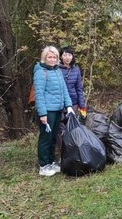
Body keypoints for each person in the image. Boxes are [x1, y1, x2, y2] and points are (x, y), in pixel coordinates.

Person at [34, 46, 75, 176]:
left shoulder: (57, 71)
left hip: (58, 110)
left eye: (54, 57)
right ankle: (43, 165)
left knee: (53, 138)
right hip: (48, 111)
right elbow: (39, 94)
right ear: (44, 58)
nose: (52, 60)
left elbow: (64, 90)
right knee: (45, 138)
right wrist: (42, 114)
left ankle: (51, 162)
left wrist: (69, 106)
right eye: (49, 57)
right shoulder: (41, 72)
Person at [59, 46, 87, 117]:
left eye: (69, 55)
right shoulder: (56, 69)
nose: (67, 57)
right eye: (65, 55)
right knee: (60, 126)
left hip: (73, 102)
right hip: (59, 102)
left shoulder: (76, 69)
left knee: (71, 125)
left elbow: (79, 89)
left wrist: (82, 106)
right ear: (61, 57)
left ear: (72, 56)